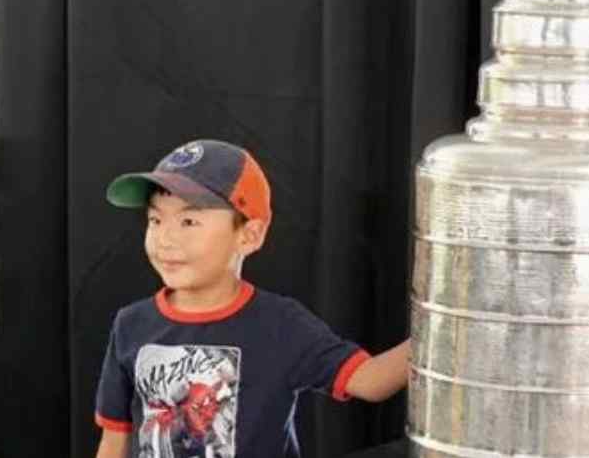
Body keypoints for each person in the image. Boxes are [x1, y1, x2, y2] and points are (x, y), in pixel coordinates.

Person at [92, 139, 411, 458]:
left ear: (249, 235)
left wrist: (447, 329)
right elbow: (113, 441)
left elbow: (370, 380)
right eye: (155, 220)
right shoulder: (131, 325)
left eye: (188, 221)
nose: (165, 238)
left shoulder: (281, 324)